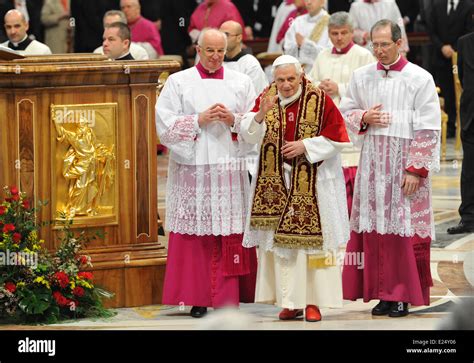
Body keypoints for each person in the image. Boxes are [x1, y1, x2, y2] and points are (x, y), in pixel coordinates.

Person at [339, 19, 441, 317]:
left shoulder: (418, 78)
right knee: (376, 230)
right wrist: (364, 116)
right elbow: (346, 112)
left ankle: (401, 294)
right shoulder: (361, 76)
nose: (379, 51)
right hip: (372, 165)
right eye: (375, 44)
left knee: (402, 231)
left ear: (399, 43)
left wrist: (415, 170)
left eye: (385, 44)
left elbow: (429, 128)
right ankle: (381, 292)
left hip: (403, 167)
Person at [240, 54, 351, 322]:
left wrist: (306, 146)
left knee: (315, 246)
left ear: (301, 76)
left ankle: (314, 302)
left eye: (291, 79)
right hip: (277, 182)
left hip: (314, 182)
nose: (287, 85)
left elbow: (338, 138)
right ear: (273, 79)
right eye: (281, 80)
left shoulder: (319, 99)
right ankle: (290, 301)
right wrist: (260, 114)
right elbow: (247, 135)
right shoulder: (266, 98)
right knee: (282, 246)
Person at [155, 28, 258, 318]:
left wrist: (234, 120)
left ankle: (228, 296)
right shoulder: (178, 81)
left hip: (227, 167)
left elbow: (256, 123)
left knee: (227, 233)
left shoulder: (241, 81)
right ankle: (197, 296)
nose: (215, 57)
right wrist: (197, 120)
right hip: (194, 169)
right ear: (197, 50)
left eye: (221, 51)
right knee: (195, 235)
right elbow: (163, 126)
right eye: (209, 50)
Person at [308, 11, 375, 216]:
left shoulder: (363, 56)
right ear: (328, 34)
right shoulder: (323, 55)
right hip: (326, 121)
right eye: (334, 33)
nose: (339, 37)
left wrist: (340, 88)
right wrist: (320, 86)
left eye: (343, 33)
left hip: (351, 124)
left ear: (352, 32)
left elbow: (369, 88)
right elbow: (310, 82)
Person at [428, 0, 474, 137]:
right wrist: (442, 46)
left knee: (460, 90)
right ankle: (448, 128)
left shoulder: (469, 5)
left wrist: (454, 48)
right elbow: (432, 30)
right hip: (440, 56)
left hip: (460, 56)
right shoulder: (437, 5)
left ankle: (458, 124)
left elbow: (469, 30)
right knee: (445, 92)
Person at [447, 31, 474, 234]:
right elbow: (463, 79)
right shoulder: (464, 42)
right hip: (471, 113)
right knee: (469, 169)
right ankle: (468, 217)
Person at [220, 20, 268, 96]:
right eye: (220, 35)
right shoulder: (217, 62)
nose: (222, 39)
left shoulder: (250, 64)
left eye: (226, 35)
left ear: (239, 38)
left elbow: (259, 96)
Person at [283, 0, 332, 71]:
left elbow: (329, 54)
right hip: (297, 73)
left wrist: (304, 43)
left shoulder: (331, 23)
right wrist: (298, 46)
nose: (309, 2)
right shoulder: (298, 21)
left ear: (323, 2)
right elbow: (287, 49)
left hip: (321, 72)